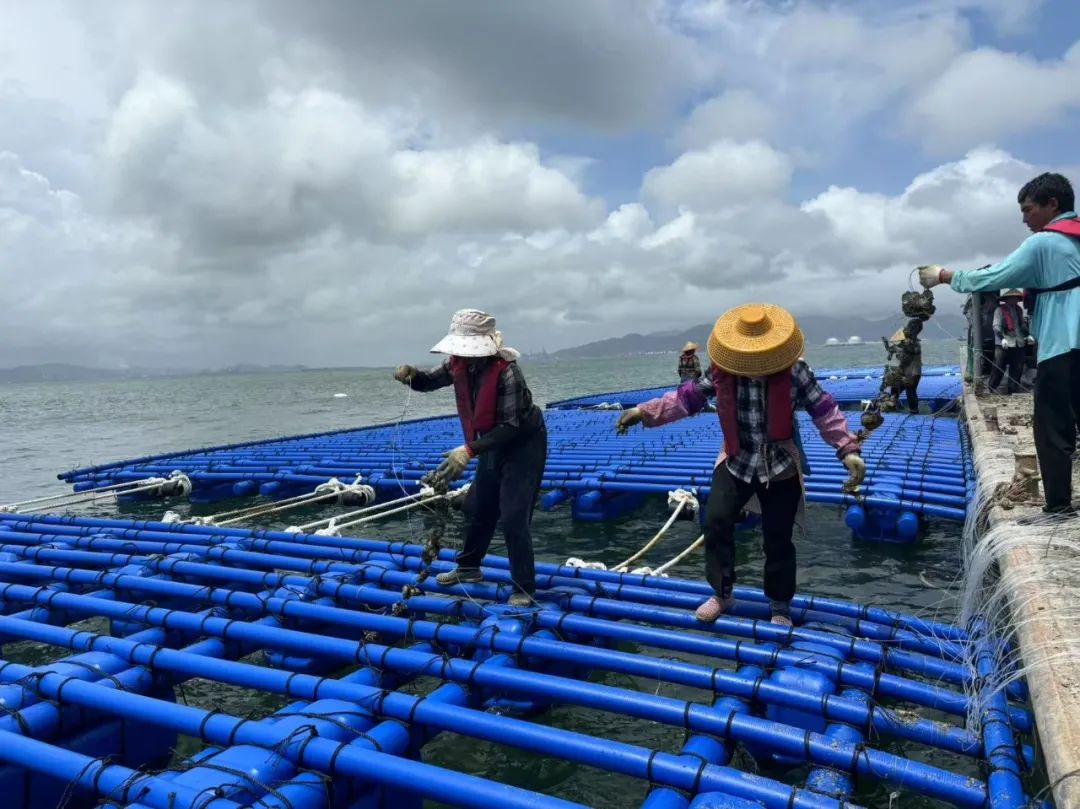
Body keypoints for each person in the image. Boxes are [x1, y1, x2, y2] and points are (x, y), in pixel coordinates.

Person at [615, 304, 866, 626]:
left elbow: (824, 410)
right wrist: (644, 412)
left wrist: (847, 449)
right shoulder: (722, 371)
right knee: (716, 522)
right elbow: (686, 399)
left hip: (780, 464)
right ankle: (722, 593)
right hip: (736, 459)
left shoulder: (795, 371)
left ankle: (780, 606)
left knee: (778, 537)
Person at [918, 172, 1080, 521]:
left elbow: (993, 276)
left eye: (1028, 209)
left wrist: (945, 276)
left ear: (1053, 204)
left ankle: (1058, 507)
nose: (1024, 219)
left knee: (1053, 429)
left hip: (1064, 345)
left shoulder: (1044, 243)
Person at [393, 309, 548, 606]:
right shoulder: (457, 364)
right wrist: (411, 375)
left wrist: (468, 450)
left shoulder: (507, 372)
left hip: (523, 445)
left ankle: (524, 587)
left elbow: (511, 427)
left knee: (513, 516)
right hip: (491, 442)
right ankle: (469, 567)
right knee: (476, 505)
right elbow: (427, 381)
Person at [989, 289, 1029, 394]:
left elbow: (1022, 326)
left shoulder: (1019, 310)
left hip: (1018, 342)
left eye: (1015, 298)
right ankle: (992, 388)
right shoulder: (999, 310)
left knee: (1017, 367)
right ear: (1006, 299)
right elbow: (996, 326)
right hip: (1004, 342)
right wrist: (1002, 339)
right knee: (999, 366)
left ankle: (1013, 389)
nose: (1014, 300)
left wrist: (1028, 335)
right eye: (1011, 298)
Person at [880, 319, 923, 414]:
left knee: (910, 391)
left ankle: (914, 411)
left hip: (912, 373)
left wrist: (892, 348)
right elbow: (896, 349)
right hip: (906, 372)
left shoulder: (913, 343)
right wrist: (889, 347)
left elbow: (906, 354)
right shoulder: (908, 342)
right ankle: (894, 406)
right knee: (895, 389)